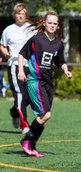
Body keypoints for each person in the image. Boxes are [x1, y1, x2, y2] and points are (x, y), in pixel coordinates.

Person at [18, 11, 72, 157]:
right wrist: (21, 71)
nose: (52, 25)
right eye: (50, 22)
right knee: (46, 115)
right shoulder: (36, 39)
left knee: (43, 116)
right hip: (35, 81)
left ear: (58, 25)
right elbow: (22, 54)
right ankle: (26, 140)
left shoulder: (58, 44)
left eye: (55, 23)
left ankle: (32, 145)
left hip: (48, 83)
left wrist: (66, 70)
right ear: (44, 23)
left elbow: (61, 61)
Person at [0, 3, 36, 133]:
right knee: (20, 95)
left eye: (22, 13)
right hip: (15, 66)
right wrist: (4, 52)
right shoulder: (8, 30)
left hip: (30, 66)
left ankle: (14, 112)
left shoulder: (32, 29)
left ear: (26, 15)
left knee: (29, 97)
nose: (20, 15)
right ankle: (24, 125)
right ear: (14, 15)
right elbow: (2, 45)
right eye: (18, 13)